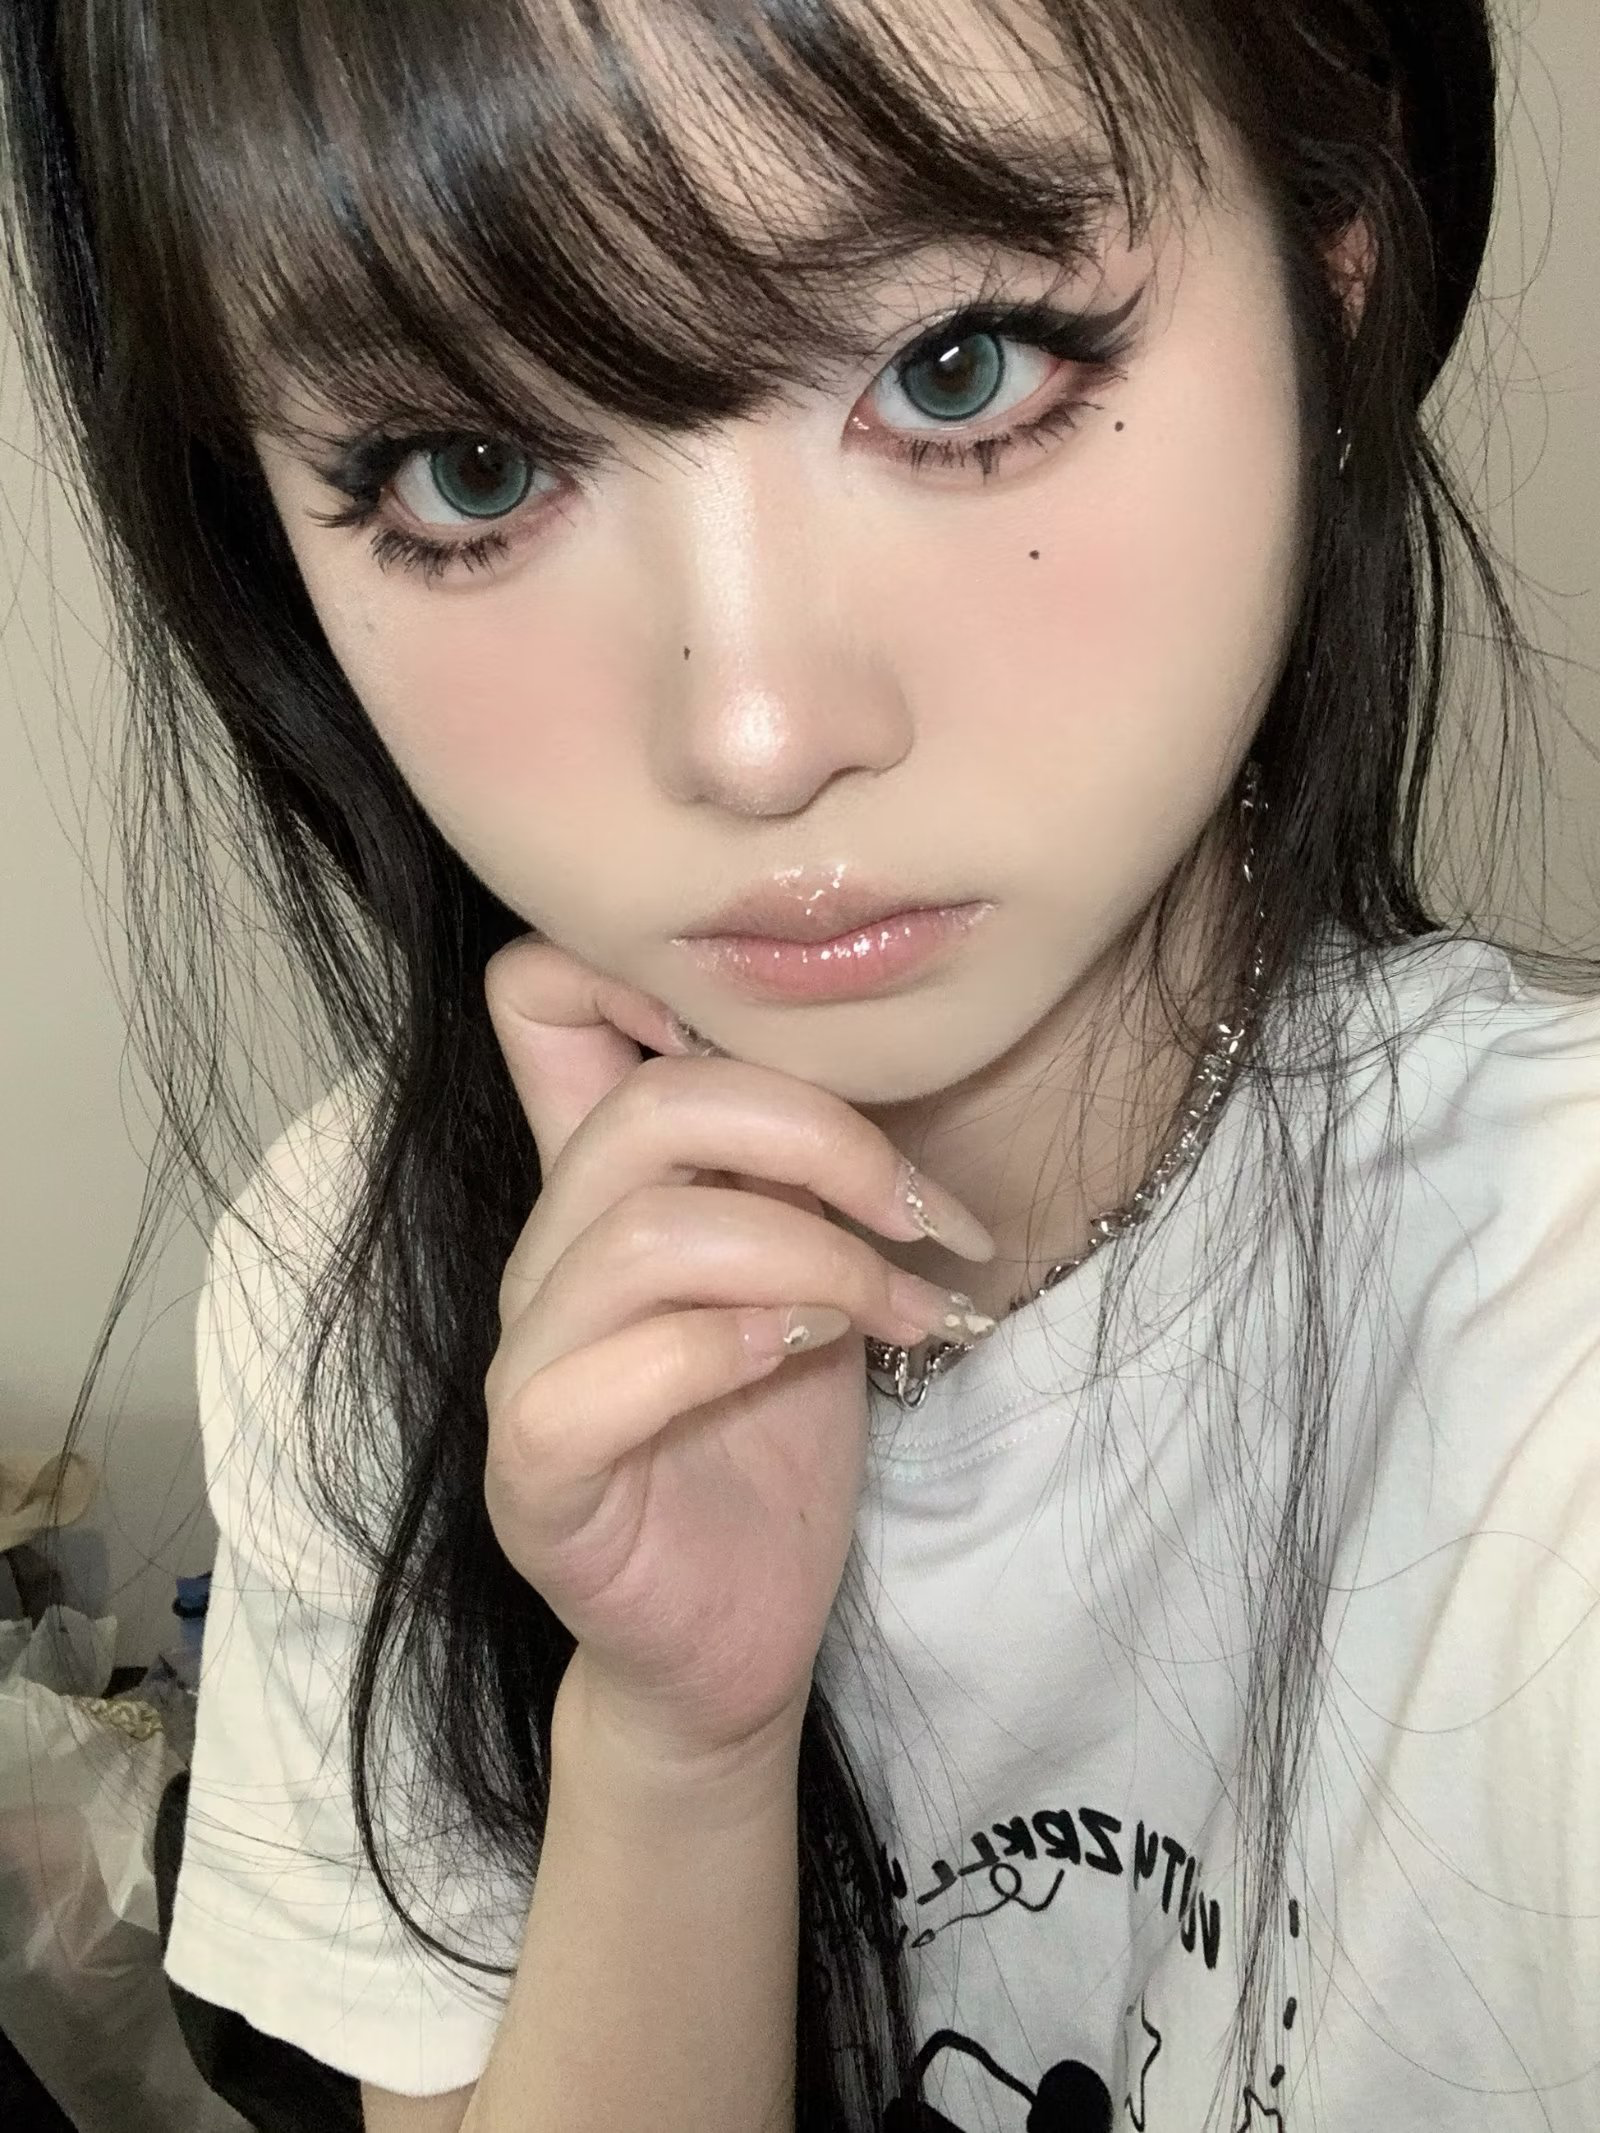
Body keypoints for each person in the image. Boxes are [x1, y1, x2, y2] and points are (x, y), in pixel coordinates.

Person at [3, 0, 1595, 2127]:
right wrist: (671, 1750)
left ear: (1336, 266)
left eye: (959, 365)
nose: (752, 734)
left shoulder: (1547, 1345)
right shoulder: (355, 1288)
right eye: (472, 469)